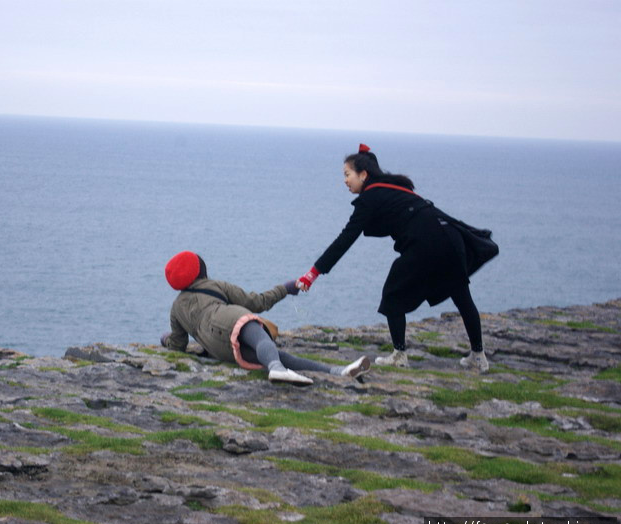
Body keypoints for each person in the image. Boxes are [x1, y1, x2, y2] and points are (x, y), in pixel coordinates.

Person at [296, 144, 491, 372]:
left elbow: (346, 238)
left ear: (363, 174)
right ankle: (479, 357)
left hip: (426, 243)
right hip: (450, 237)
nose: (345, 180)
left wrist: (314, 272)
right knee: (461, 295)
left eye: (347, 174)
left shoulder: (371, 197)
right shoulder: (392, 187)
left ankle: (399, 355)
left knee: (392, 294)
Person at [160, 250, 371, 385]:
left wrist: (165, 339)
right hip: (227, 318)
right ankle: (277, 370)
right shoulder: (215, 285)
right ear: (201, 272)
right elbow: (257, 303)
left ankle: (338, 372)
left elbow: (178, 345)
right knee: (261, 339)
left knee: (275, 355)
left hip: (221, 351)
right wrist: (285, 289)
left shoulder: (176, 308)